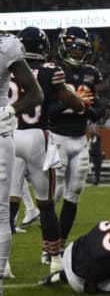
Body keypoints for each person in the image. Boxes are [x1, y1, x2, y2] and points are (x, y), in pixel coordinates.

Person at [8, 27, 86, 273]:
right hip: (37, 139)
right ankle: (54, 261)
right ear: (43, 47)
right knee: (46, 204)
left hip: (9, 136)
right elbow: (71, 101)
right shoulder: (51, 70)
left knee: (7, 204)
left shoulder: (6, 69)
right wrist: (80, 101)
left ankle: (4, 264)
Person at [48, 26, 104, 260]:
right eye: (75, 47)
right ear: (63, 46)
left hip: (80, 139)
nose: (79, 53)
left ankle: (60, 246)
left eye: (82, 48)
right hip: (57, 137)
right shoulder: (53, 70)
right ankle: (48, 245)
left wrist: (86, 106)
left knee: (74, 193)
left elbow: (98, 112)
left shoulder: (92, 73)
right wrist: (73, 102)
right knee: (55, 193)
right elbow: (48, 110)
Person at [0, 30, 44, 293]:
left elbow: (36, 93)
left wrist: (10, 110)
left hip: (0, 133)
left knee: (1, 212)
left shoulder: (6, 45)